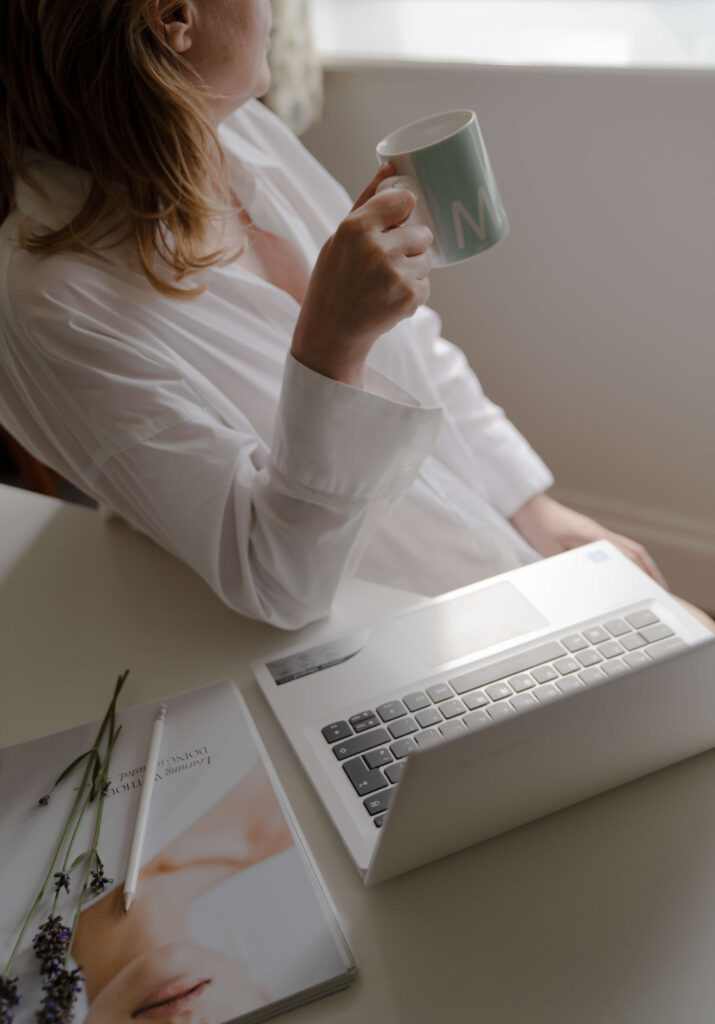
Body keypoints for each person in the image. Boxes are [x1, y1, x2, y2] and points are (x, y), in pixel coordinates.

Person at [0, 0, 710, 631]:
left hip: (479, 550)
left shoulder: (234, 132)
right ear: (175, 18)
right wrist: (329, 349)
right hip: (366, 638)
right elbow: (277, 583)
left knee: (687, 635)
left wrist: (531, 509)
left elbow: (417, 353)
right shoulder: (54, 305)